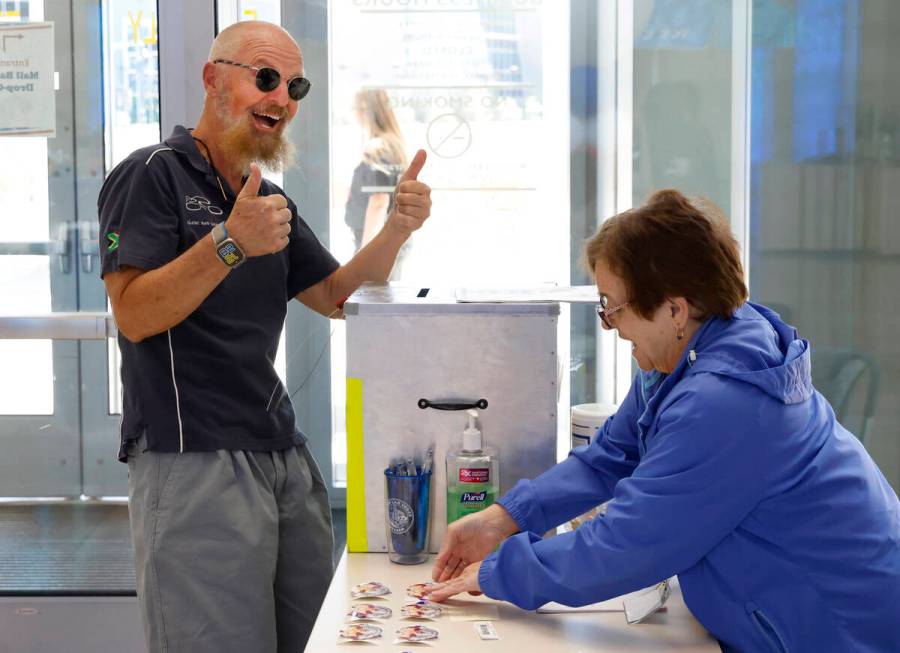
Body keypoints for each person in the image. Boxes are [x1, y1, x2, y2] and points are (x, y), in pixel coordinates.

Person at [424, 189, 900, 652]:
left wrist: (497, 573)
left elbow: (627, 545)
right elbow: (612, 455)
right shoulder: (695, 352)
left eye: (613, 307)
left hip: (840, 629)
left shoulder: (725, 402)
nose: (608, 325)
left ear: (674, 308)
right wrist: (506, 518)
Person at [97, 20, 431, 653]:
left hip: (280, 454)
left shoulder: (265, 198)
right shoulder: (151, 174)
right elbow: (135, 313)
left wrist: (394, 232)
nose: (281, 98)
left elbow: (337, 298)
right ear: (212, 78)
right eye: (266, 78)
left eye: (294, 85)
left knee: (314, 640)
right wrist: (227, 243)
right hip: (191, 458)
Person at [343, 89, 409, 277]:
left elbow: (379, 202)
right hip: (388, 244)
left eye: (356, 108)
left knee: (375, 302)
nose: (355, 113)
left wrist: (364, 254)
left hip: (376, 245)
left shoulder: (378, 148)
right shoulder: (393, 145)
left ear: (366, 111)